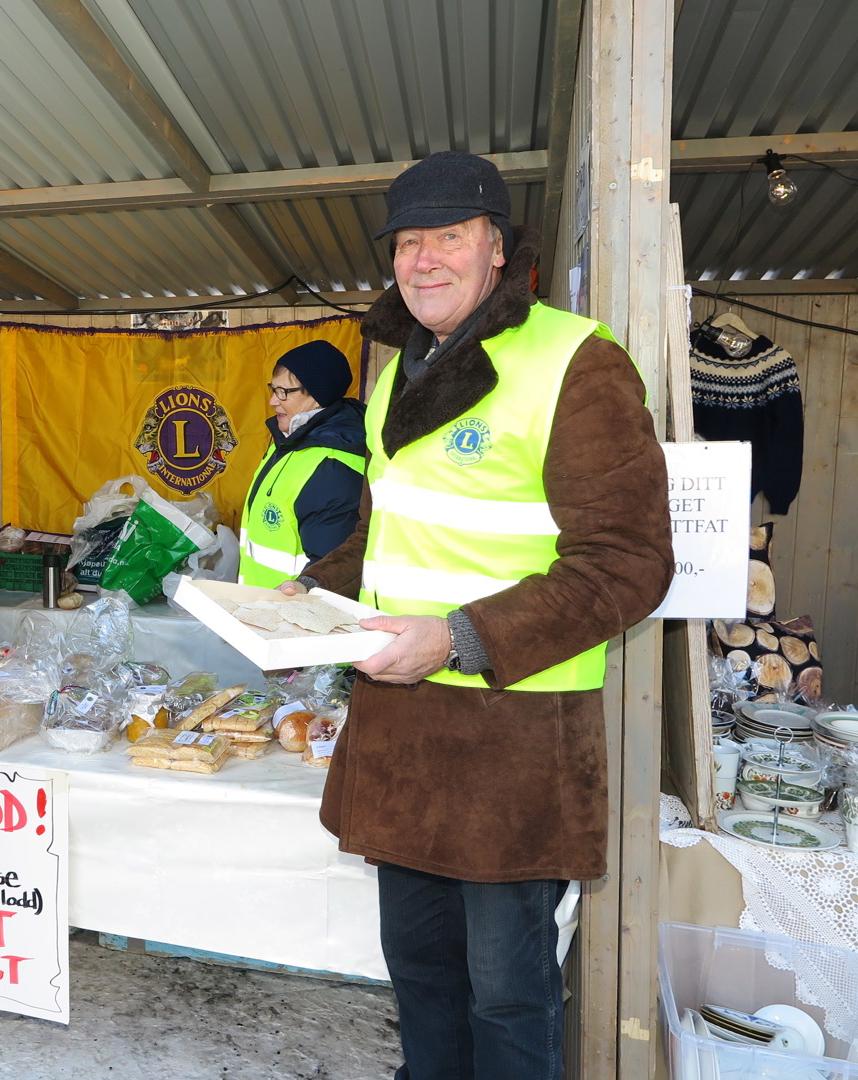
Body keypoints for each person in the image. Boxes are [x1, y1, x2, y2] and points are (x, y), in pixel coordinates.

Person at [290, 151, 673, 1078]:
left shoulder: (573, 360)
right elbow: (385, 535)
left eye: (447, 237)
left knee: (507, 993)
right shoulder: (393, 374)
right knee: (418, 972)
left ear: (496, 248)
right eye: (406, 242)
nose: (422, 260)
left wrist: (456, 639)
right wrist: (301, 599)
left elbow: (628, 565)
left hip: (514, 741)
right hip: (402, 732)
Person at [237, 340, 368, 587]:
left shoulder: (332, 466)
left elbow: (329, 567)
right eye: (273, 389)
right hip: (262, 612)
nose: (273, 401)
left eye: (283, 392)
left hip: (292, 617)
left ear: (317, 395)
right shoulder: (287, 442)